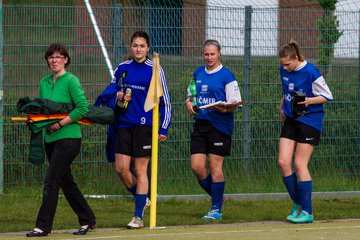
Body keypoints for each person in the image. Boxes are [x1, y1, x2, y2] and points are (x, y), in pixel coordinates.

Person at [100, 31, 172, 229]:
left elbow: (165, 102)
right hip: (123, 125)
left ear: (147, 48)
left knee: (141, 170)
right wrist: (119, 96)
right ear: (130, 47)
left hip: (144, 126)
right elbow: (110, 92)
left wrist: (163, 127)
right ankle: (144, 198)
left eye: (142, 46)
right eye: (135, 45)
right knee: (121, 169)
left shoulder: (155, 69)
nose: (138, 49)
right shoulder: (122, 68)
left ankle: (138, 216)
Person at [26, 43, 96, 237]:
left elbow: (82, 108)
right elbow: (43, 109)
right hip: (50, 139)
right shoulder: (44, 82)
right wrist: (34, 117)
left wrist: (61, 123)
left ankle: (42, 226)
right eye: (51, 57)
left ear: (65, 59)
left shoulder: (71, 80)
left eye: (58, 57)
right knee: (66, 182)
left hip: (69, 138)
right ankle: (88, 219)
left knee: (51, 181)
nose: (54, 60)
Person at [185, 39, 242, 220]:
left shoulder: (227, 76)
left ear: (219, 54)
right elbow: (191, 94)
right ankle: (219, 196)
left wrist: (224, 107)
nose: (209, 57)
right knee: (197, 166)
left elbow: (235, 103)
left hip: (220, 126)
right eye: (206, 54)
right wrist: (189, 103)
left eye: (212, 54)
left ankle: (216, 209)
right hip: (201, 124)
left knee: (215, 167)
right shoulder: (198, 73)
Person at [277, 40, 333, 224]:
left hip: (310, 120)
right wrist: (282, 105)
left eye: (287, 64)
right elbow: (287, 91)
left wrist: (308, 101)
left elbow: (326, 96)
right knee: (284, 162)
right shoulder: (283, 70)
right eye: (282, 64)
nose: (284, 67)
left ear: (295, 58)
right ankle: (298, 203)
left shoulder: (311, 71)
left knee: (300, 164)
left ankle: (307, 212)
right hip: (291, 119)